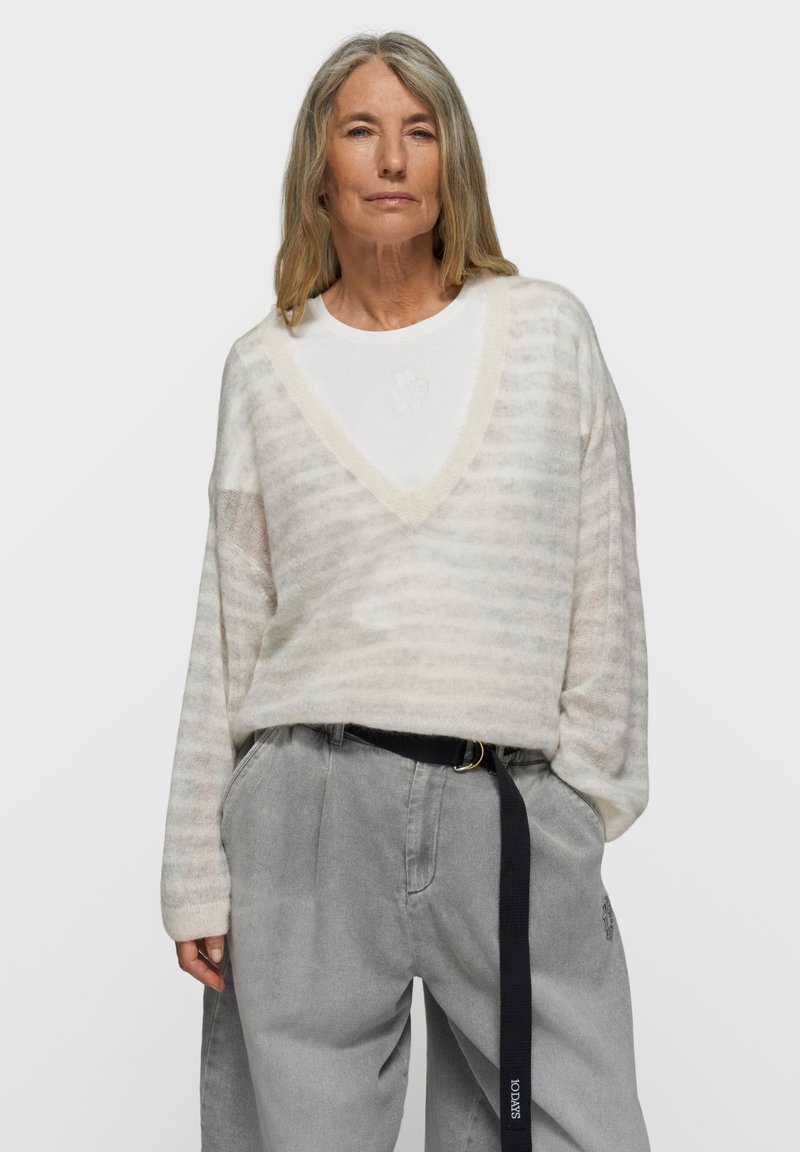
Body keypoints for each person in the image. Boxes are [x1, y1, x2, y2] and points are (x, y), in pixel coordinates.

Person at [159, 29, 651, 1152]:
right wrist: (193, 869)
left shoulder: (546, 334)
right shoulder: (265, 367)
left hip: (505, 809)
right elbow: (229, 624)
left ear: (450, 162)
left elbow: (603, 587)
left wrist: (578, 804)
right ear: (318, 169)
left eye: (420, 132)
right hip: (307, 819)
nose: (392, 159)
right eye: (362, 131)